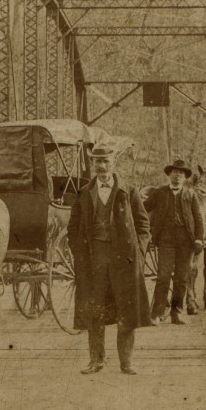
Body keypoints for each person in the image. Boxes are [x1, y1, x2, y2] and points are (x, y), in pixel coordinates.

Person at [67, 144, 151, 375]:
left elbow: (144, 226)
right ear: (91, 165)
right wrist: (80, 254)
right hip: (94, 260)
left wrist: (139, 253)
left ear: (113, 163)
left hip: (124, 261)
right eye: (97, 162)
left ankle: (126, 362)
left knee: (127, 310)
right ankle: (96, 360)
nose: (102, 167)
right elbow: (73, 229)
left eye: (106, 162)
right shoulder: (83, 193)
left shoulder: (129, 191)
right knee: (95, 311)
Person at [144, 158, 204, 324]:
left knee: (181, 278)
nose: (177, 176)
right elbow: (144, 207)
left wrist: (198, 239)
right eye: (174, 173)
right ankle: (157, 313)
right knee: (163, 276)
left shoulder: (191, 195)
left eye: (181, 174)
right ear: (169, 175)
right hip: (166, 240)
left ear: (185, 177)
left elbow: (198, 219)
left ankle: (176, 312)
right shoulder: (160, 193)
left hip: (186, 241)